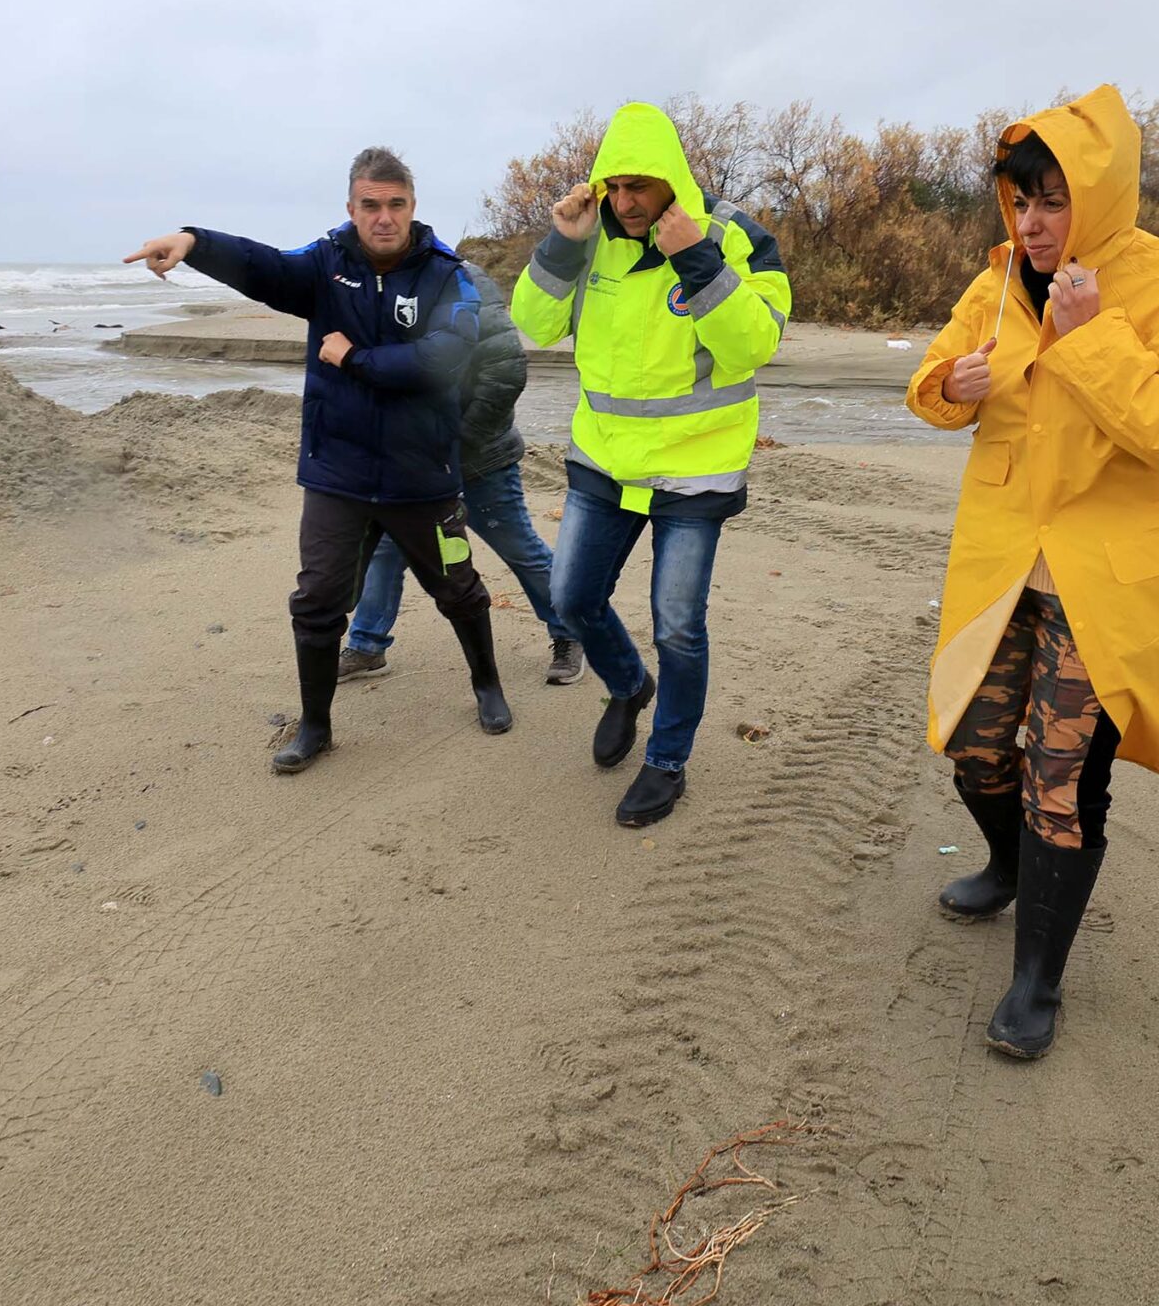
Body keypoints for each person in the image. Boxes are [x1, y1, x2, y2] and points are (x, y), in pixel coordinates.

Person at [904, 84, 1159, 1061]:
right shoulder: (998, 281)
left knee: (1061, 779)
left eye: (1052, 200)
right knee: (974, 746)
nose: (1034, 220)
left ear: (1095, 197)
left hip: (1108, 576)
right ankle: (1008, 867)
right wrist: (947, 388)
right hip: (1006, 559)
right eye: (1020, 201)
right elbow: (930, 385)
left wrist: (1092, 338)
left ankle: (1037, 980)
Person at [123, 147, 512, 775]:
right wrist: (194, 240)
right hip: (338, 475)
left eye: (396, 204)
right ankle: (315, 726)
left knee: (458, 587)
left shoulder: (449, 276)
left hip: (424, 479)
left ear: (412, 206)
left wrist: (351, 358)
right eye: (370, 205)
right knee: (318, 600)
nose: (383, 217)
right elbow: (263, 267)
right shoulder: (325, 266)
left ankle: (487, 685)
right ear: (351, 208)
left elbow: (443, 360)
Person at [511, 102, 792, 828]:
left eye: (642, 186)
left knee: (678, 624)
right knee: (569, 601)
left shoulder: (735, 238)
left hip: (697, 471)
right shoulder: (592, 232)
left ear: (673, 180)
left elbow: (753, 346)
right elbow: (535, 324)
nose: (628, 202)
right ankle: (629, 686)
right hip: (604, 460)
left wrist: (695, 256)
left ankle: (667, 760)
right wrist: (563, 243)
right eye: (617, 186)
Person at [338, 258, 584, 686]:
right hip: (409, 465)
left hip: (479, 457)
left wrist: (454, 445)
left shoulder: (463, 280)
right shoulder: (377, 290)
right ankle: (366, 645)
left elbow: (505, 372)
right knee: (386, 552)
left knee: (519, 548)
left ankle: (570, 632)